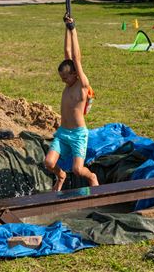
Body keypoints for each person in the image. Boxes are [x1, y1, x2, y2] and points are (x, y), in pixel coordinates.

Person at [44, 14, 99, 191]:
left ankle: (92, 176)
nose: (63, 80)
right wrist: (66, 28)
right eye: (61, 77)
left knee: (77, 169)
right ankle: (60, 175)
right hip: (62, 132)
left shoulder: (82, 85)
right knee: (48, 162)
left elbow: (76, 58)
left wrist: (74, 29)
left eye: (65, 77)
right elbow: (68, 54)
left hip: (77, 134)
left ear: (75, 73)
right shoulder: (69, 81)